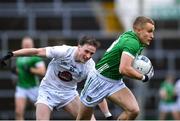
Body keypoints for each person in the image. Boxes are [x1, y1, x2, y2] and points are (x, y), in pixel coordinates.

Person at [0, 35, 112, 120]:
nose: (88, 56)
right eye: (86, 51)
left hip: (68, 94)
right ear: (78, 47)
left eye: (91, 53)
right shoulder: (63, 51)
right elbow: (37, 51)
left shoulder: (90, 66)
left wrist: (107, 115)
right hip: (48, 91)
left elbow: (97, 90)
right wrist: (11, 54)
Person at [76, 16, 155, 120]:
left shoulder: (134, 38)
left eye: (152, 32)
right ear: (138, 30)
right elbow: (124, 69)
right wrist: (143, 77)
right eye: (149, 31)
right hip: (99, 79)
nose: (152, 35)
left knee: (133, 110)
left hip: (115, 81)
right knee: (83, 119)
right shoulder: (133, 43)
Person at [13, 37, 46, 120]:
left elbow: (42, 71)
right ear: (22, 45)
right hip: (21, 87)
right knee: (18, 112)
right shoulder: (19, 57)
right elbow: (19, 70)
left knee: (41, 112)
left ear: (32, 45)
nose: (26, 46)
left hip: (34, 87)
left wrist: (30, 69)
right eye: (25, 44)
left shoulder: (36, 58)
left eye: (28, 44)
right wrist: (16, 71)